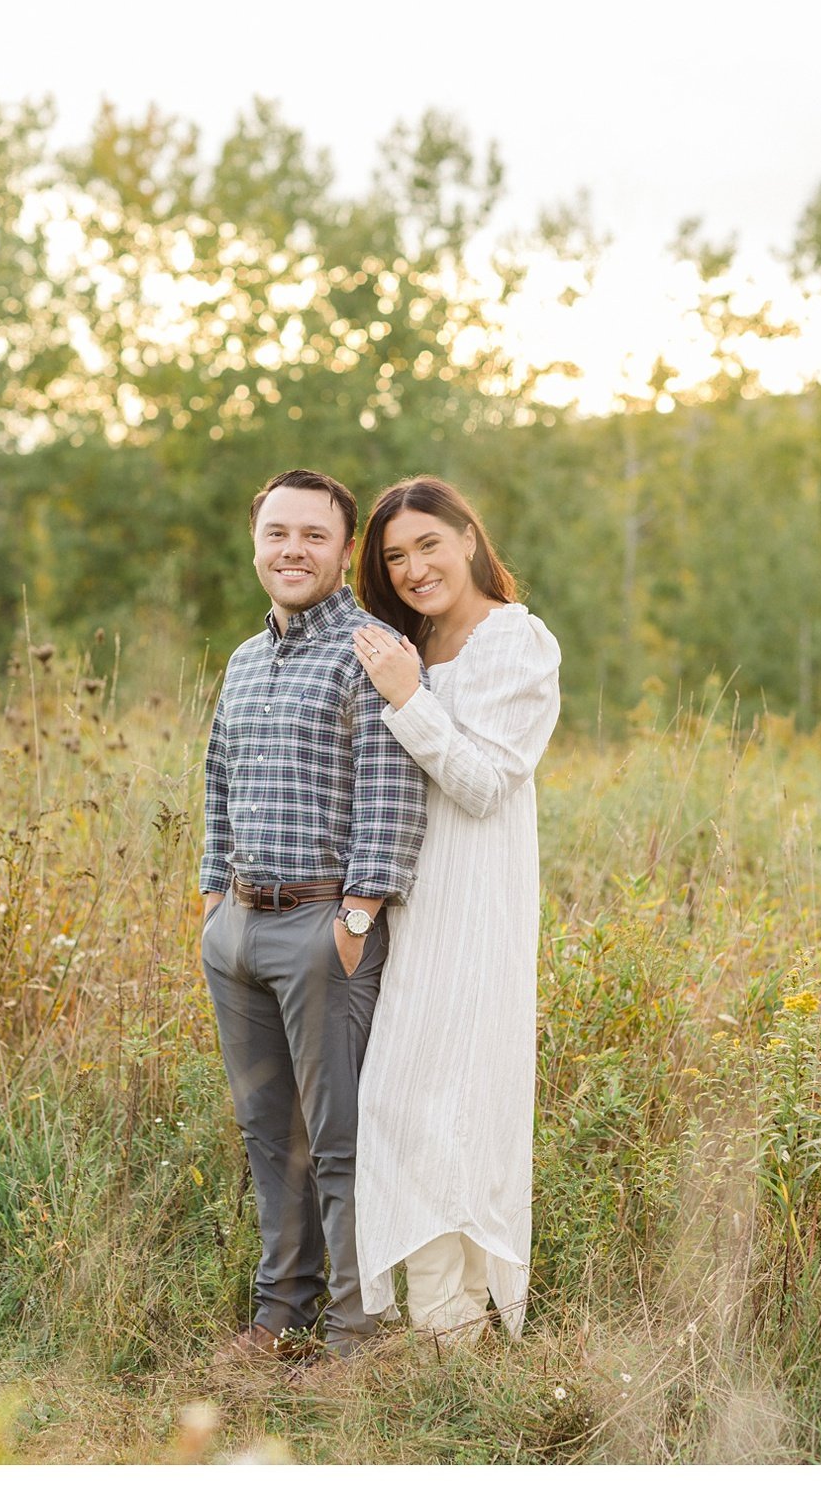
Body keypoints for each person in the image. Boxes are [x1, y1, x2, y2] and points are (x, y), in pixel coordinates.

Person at [198, 468, 428, 1362]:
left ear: (341, 551)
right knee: (267, 1133)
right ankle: (277, 1316)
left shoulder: (370, 648)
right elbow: (217, 779)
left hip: (325, 927)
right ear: (256, 543)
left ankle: (353, 1334)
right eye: (277, 534)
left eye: (314, 536)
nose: (293, 550)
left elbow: (389, 791)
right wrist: (214, 894)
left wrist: (360, 912)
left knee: (338, 1140)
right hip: (240, 929)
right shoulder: (245, 658)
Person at [349, 477, 561, 1343]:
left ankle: (457, 1337)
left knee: (458, 1112)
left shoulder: (517, 642)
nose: (412, 567)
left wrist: (409, 697)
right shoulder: (402, 643)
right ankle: (443, 1330)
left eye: (428, 544)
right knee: (405, 1111)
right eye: (395, 556)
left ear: (469, 537)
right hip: (400, 909)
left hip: (475, 916)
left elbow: (481, 784)